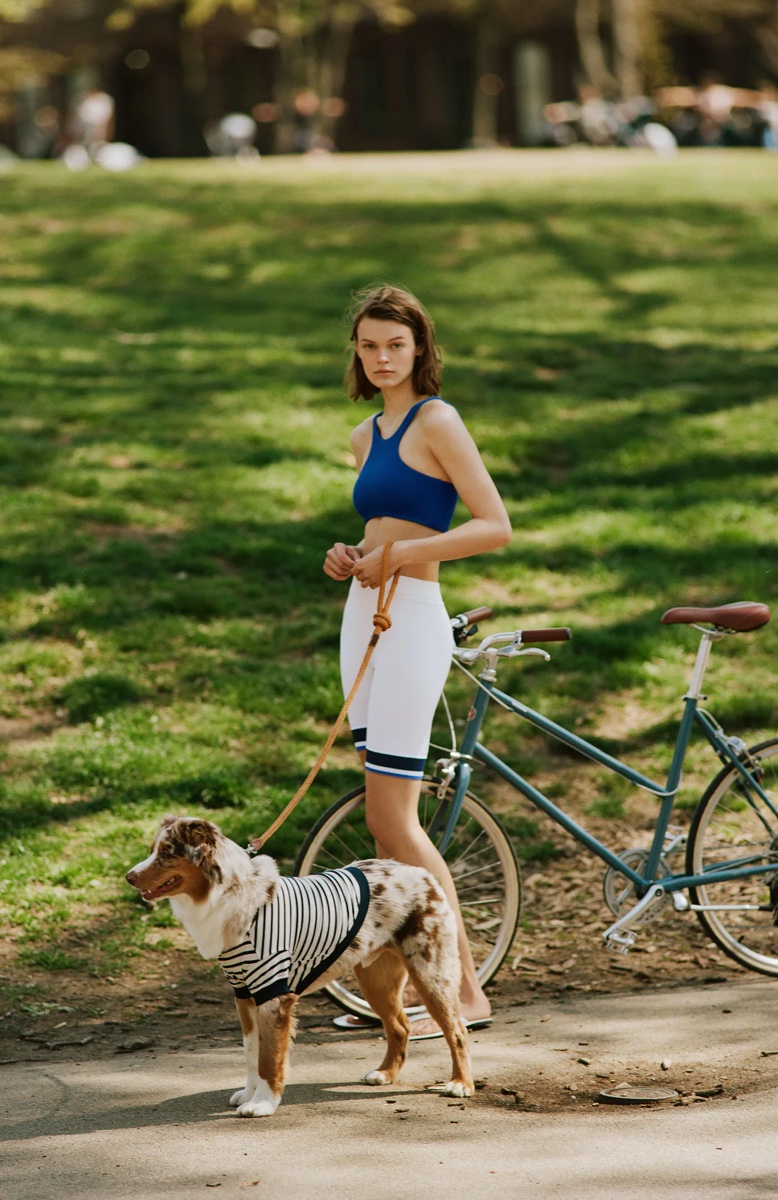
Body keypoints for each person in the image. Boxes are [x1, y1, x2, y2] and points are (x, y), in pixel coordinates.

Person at [323, 284, 512, 1036]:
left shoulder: (439, 420)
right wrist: (352, 555)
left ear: (420, 349)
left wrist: (400, 554)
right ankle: (405, 995)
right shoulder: (366, 436)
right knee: (384, 829)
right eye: (368, 346)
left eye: (394, 345)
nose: (381, 358)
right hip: (363, 620)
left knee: (393, 818)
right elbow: (378, 533)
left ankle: (465, 993)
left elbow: (493, 525)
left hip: (412, 624)